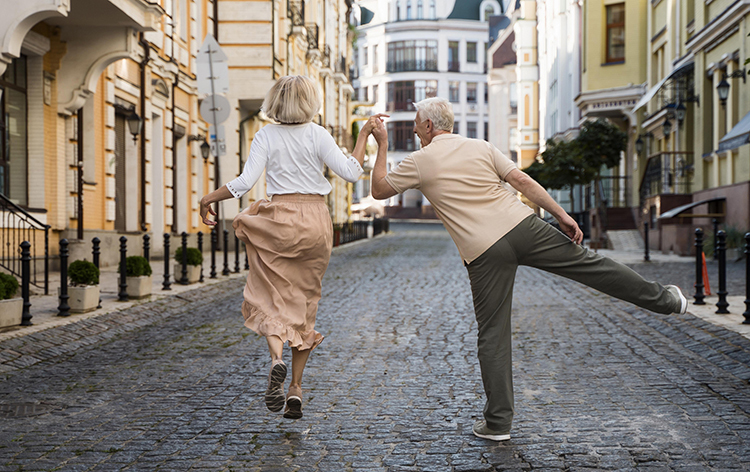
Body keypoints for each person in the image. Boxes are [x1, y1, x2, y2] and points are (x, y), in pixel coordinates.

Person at [368, 97, 688, 441]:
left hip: (483, 251)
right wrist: (562, 215)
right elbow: (521, 181)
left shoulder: (420, 160)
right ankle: (666, 301)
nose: (414, 129)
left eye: (417, 123)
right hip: (523, 227)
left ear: (430, 126)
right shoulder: (481, 147)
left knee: (493, 333)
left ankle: (498, 424)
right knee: (593, 266)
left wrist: (382, 144)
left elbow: (379, 189)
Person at [199, 75, 385, 420]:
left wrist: (209, 197)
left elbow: (243, 183)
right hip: (315, 222)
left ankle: (276, 360)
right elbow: (349, 171)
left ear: (276, 102)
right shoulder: (318, 134)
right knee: (304, 304)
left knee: (266, 296)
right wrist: (363, 136)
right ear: (310, 102)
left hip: (280, 221)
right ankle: (296, 389)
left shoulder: (266, 134)